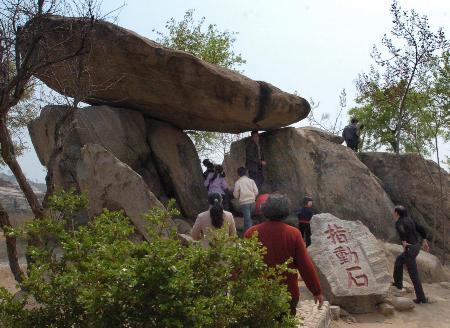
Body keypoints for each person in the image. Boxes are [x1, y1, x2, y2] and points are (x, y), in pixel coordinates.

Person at [244, 194, 323, 315]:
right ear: (286, 211)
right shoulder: (293, 234)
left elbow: (242, 264)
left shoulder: (251, 233)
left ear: (264, 210)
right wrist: (316, 291)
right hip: (287, 293)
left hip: (258, 293)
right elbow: (305, 266)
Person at [392, 205, 430, 304]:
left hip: (410, 249)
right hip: (416, 246)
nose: (393, 213)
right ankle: (398, 284)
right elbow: (420, 228)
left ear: (397, 213)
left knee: (414, 274)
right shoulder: (410, 219)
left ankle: (421, 299)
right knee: (399, 261)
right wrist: (425, 240)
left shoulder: (399, 223)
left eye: (394, 212)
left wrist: (404, 242)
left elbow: (402, 232)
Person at [233, 167, 258, 232]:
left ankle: (249, 235)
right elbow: (256, 191)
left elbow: (235, 195)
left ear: (238, 174)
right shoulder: (251, 181)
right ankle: (248, 232)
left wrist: (239, 196)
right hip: (253, 202)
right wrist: (253, 197)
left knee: (247, 219)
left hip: (244, 203)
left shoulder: (238, 182)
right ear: (246, 173)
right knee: (249, 219)